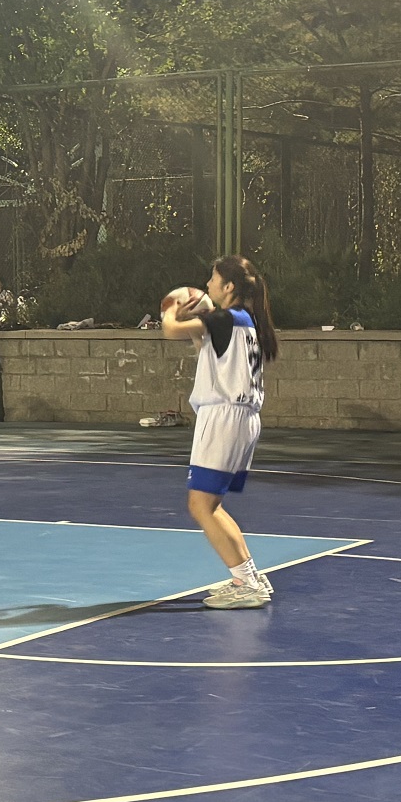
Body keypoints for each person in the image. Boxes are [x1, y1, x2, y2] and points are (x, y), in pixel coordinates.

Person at [161, 255, 279, 610]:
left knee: (201, 505)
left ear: (228, 286)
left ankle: (246, 583)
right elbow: (211, 353)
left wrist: (171, 310)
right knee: (210, 504)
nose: (208, 284)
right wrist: (197, 320)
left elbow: (170, 330)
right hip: (239, 417)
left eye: (212, 279)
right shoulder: (243, 321)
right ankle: (249, 575)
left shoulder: (226, 318)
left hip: (224, 418)